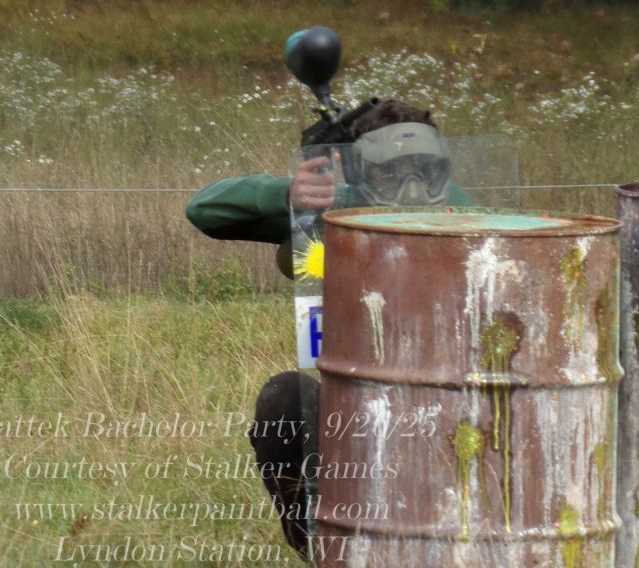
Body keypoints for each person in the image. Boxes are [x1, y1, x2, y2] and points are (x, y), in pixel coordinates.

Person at [184, 99, 471, 559]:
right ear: (360, 171)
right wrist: (290, 195)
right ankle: (318, 546)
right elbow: (204, 210)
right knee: (284, 398)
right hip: (350, 391)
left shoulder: (460, 209)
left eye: (425, 169)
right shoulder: (337, 203)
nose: (412, 186)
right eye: (391, 173)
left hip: (445, 392)